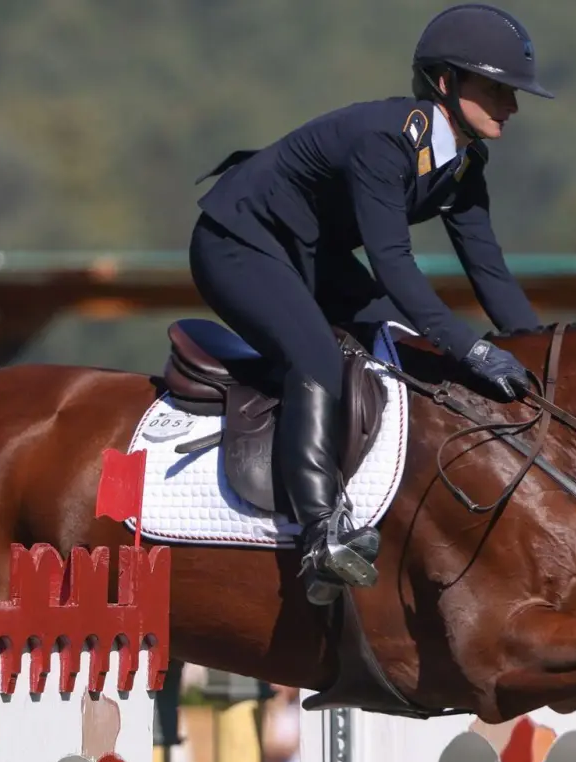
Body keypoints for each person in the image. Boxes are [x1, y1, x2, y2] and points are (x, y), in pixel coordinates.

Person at [189, 3, 552, 606]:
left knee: (404, 339)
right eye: (497, 89)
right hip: (239, 243)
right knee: (317, 360)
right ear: (445, 82)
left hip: (308, 255)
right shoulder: (387, 141)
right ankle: (319, 535)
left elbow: (489, 271)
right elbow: (393, 263)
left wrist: (541, 356)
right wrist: (472, 347)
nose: (511, 106)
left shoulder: (463, 164)